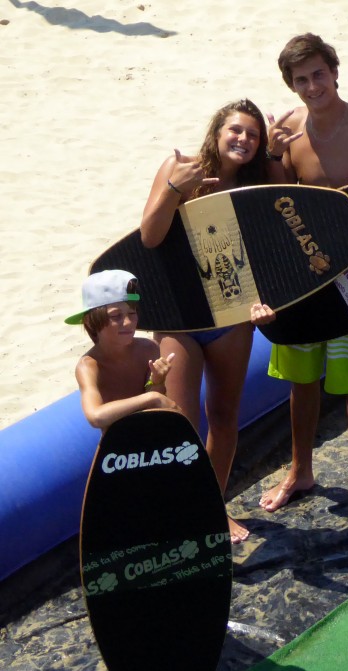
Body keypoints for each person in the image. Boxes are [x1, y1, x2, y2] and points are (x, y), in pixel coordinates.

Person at [259, 33, 348, 516]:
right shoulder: (290, 134)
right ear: (291, 86)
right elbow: (280, 205)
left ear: (335, 72)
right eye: (302, 79)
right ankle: (301, 469)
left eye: (319, 74)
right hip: (305, 280)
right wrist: (274, 158)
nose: (313, 85)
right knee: (301, 381)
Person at [140, 98, 285, 544]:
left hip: (231, 315)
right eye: (235, 131)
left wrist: (266, 303)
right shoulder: (180, 167)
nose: (243, 139)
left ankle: (210, 508)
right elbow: (149, 236)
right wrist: (172, 189)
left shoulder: (257, 182)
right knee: (180, 424)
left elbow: (273, 248)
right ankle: (176, 514)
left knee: (223, 416)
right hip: (179, 317)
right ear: (217, 133)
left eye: (253, 135)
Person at [69, 270, 177, 429]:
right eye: (115, 316)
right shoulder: (89, 365)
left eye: (132, 313)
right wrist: (152, 398)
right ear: (91, 321)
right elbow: (95, 416)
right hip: (117, 446)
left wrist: (157, 382)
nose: (127, 322)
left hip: (151, 435)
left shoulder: (149, 348)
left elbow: (154, 400)